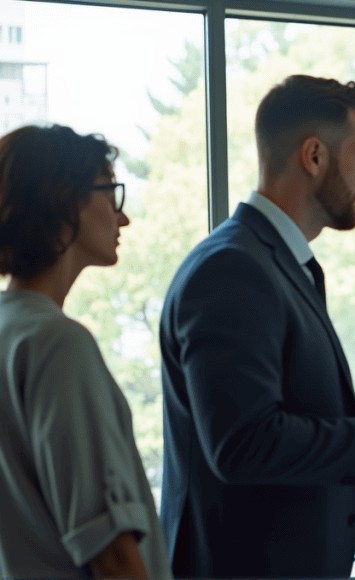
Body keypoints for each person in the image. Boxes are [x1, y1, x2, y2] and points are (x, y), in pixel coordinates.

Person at [159, 75, 355, 578]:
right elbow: (242, 445)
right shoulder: (232, 270)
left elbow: (266, 417)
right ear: (314, 156)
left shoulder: (274, 263)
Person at [0, 124, 171, 578]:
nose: (124, 217)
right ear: (64, 200)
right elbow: (112, 554)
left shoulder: (8, 330)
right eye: (111, 192)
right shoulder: (58, 343)